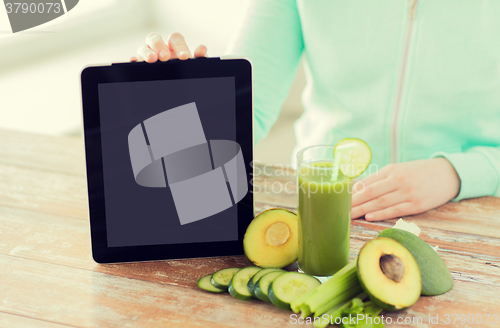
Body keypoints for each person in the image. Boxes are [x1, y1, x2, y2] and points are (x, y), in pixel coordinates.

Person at [130, 0, 500, 222]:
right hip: (325, 210)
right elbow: (245, 108)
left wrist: (457, 173)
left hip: (473, 214)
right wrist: (173, 103)